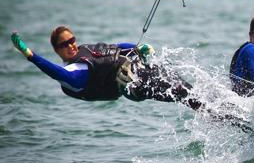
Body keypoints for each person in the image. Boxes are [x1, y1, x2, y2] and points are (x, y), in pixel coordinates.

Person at [10, 25, 202, 110]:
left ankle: (222, 102)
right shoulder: (72, 75)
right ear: (56, 50)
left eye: (72, 40)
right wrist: (30, 55)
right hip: (134, 87)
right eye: (64, 44)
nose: (70, 46)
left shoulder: (85, 51)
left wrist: (137, 48)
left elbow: (114, 48)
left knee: (184, 84)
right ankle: (217, 113)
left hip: (140, 71)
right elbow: (56, 72)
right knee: (181, 93)